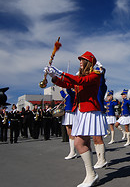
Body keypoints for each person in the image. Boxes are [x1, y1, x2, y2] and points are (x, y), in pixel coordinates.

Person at [45, 51, 107, 187]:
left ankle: (92, 174)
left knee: (80, 143)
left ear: (89, 61)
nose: (80, 61)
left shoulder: (95, 75)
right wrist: (54, 77)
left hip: (90, 111)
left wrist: (61, 72)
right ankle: (91, 175)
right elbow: (67, 84)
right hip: (81, 112)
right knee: (82, 143)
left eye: (82, 59)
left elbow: (80, 81)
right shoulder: (80, 76)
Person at [60, 87, 77, 160]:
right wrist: (61, 89)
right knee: (69, 132)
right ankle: (72, 151)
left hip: (71, 113)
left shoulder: (72, 92)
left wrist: (67, 85)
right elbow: (64, 95)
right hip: (67, 113)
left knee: (72, 133)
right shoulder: (68, 95)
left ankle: (73, 151)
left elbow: (69, 91)